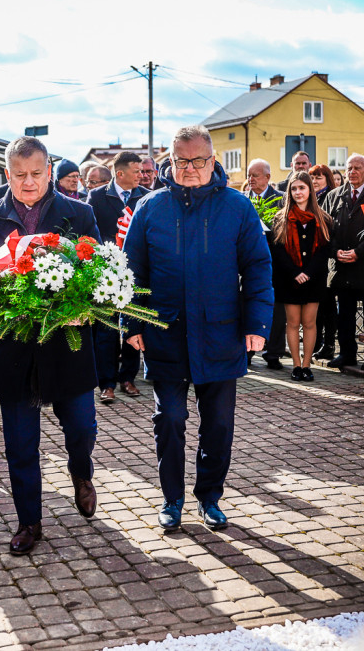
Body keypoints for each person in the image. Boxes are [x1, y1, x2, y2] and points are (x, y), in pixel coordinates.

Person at [123, 126, 273, 532]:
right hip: (165, 332)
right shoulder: (150, 208)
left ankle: (209, 497)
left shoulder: (238, 208)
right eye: (181, 161)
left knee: (219, 423)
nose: (190, 169)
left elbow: (257, 266)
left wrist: (257, 323)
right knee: (169, 418)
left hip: (220, 333)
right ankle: (171, 499)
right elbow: (131, 269)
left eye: (198, 161)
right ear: (169, 162)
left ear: (213, 160)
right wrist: (132, 321)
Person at [0, 136, 101, 555]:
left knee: (82, 427)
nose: (28, 182)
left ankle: (81, 472)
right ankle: (29, 522)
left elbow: (99, 267)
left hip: (67, 344)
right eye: (19, 175)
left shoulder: (79, 213)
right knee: (20, 443)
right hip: (14, 347)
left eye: (37, 173)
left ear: (49, 171)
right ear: (7, 174)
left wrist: (86, 306)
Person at [86, 151, 148, 402]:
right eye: (137, 171)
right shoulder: (97, 197)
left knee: (133, 326)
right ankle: (107, 383)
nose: (141, 176)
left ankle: (128, 378)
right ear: (120, 173)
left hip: (136, 274)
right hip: (106, 274)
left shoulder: (145, 197)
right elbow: (91, 234)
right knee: (106, 330)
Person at [270, 171, 332, 382]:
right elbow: (277, 251)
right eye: (294, 188)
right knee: (293, 322)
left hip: (314, 280)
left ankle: (307, 365)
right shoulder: (281, 218)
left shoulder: (323, 219)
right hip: (289, 280)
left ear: (310, 190)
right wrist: (295, 273)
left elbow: (324, 251)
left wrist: (309, 273)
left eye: (302, 188)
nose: (298, 192)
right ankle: (296, 365)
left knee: (310, 323)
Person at [325, 154, 364, 371]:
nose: (352, 172)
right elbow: (327, 230)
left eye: (358, 168)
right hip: (341, 267)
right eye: (349, 168)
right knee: (345, 315)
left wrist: (359, 252)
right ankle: (347, 353)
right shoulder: (334, 196)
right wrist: (335, 251)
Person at [243, 159, 285, 369]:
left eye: (255, 175)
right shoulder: (242, 200)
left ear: (268, 177)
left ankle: (274, 353)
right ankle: (248, 353)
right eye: (249, 175)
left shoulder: (281, 200)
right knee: (249, 306)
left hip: (276, 262)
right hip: (249, 263)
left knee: (276, 310)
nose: (250, 179)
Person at [307, 164, 338, 361]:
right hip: (312, 260)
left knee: (327, 306)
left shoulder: (331, 197)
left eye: (319, 177)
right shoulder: (311, 198)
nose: (315, 181)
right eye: (312, 177)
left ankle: (328, 344)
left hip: (327, 259)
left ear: (327, 179)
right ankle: (317, 343)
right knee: (315, 306)